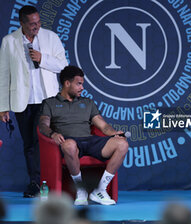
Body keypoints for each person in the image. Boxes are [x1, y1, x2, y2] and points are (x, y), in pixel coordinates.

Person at [0, 5, 68, 197]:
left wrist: (42, 58)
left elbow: (63, 66)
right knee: (30, 144)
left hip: (48, 101)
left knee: (48, 142)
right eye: (31, 24)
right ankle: (35, 184)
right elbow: (3, 76)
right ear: (21, 23)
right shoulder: (9, 42)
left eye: (38, 22)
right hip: (23, 101)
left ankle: (55, 183)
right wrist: (3, 107)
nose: (36, 27)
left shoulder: (51, 37)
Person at [38, 65, 128, 205]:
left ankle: (100, 190)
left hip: (90, 141)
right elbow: (43, 125)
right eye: (78, 84)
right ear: (67, 83)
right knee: (69, 145)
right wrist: (53, 134)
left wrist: (114, 133)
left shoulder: (88, 103)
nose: (82, 88)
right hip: (70, 143)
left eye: (82, 84)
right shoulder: (50, 103)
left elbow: (103, 126)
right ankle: (81, 191)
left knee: (122, 144)